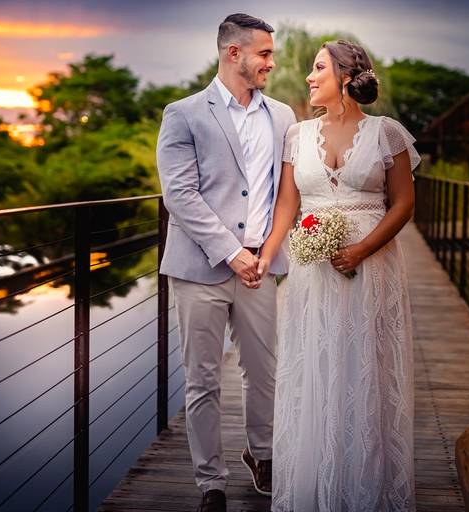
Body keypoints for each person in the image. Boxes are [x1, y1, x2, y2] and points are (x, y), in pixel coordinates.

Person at [256, 40, 420, 511]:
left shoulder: (387, 134)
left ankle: (363, 487)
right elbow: (288, 205)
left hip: (373, 269)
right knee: (315, 364)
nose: (309, 77)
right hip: (312, 273)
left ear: (346, 76)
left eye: (318, 68)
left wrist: (362, 249)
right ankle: (314, 484)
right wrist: (267, 256)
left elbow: (404, 203)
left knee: (363, 364)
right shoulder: (297, 136)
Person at [155, 13, 296, 512]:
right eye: (264, 54)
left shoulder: (282, 117)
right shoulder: (184, 113)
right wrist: (231, 252)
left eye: (271, 54)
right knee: (202, 379)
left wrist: (265, 253)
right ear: (233, 53)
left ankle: (263, 455)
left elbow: (286, 193)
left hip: (261, 269)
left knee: (265, 373)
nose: (271, 64)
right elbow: (179, 194)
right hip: (201, 269)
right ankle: (210, 483)